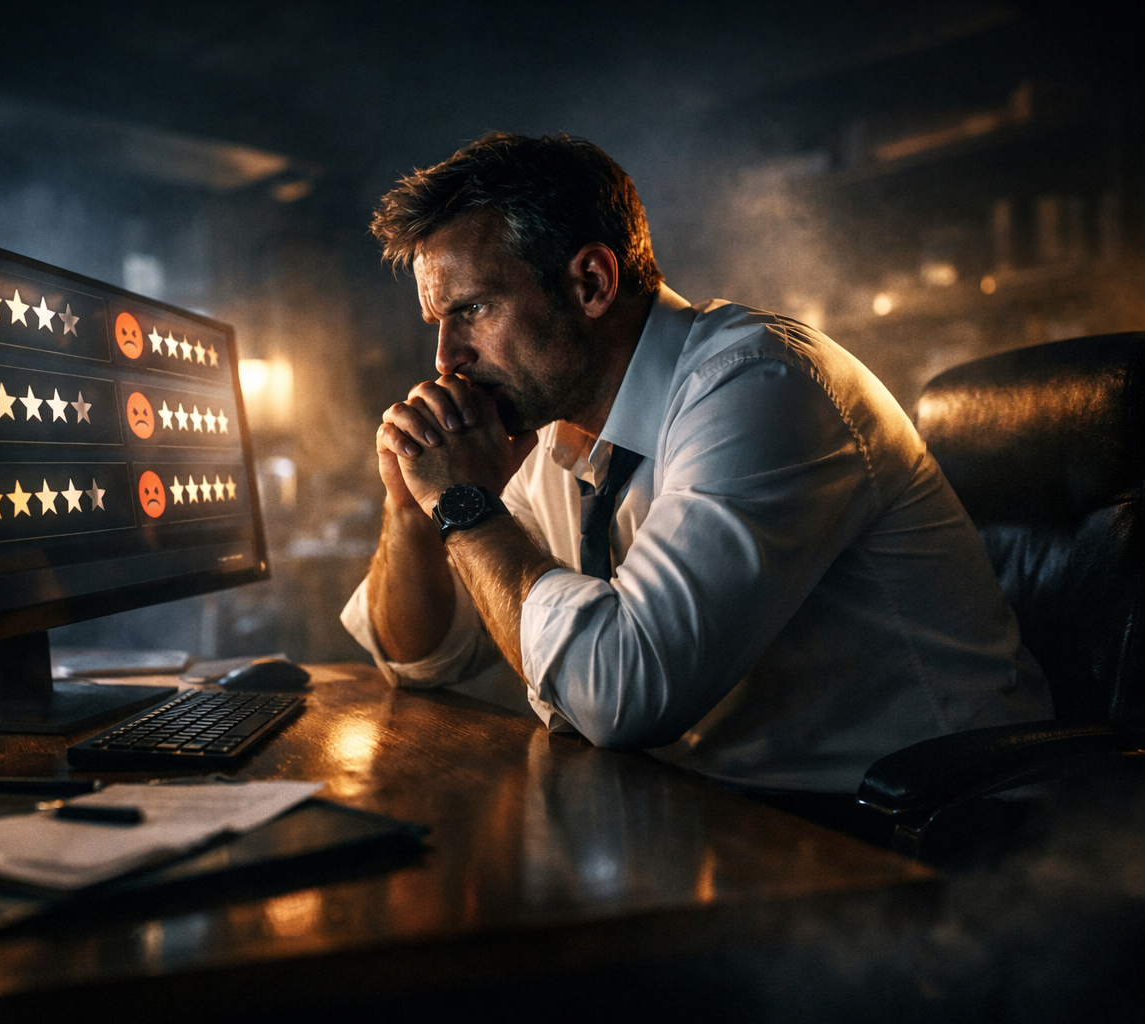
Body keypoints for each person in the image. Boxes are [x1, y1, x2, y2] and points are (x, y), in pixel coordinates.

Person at [340, 131, 1051, 792]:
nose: (445, 359)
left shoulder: (761, 386)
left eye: (472, 310)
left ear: (590, 283)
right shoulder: (548, 431)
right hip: (729, 824)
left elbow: (625, 694)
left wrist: (466, 508)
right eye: (438, 323)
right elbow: (421, 658)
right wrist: (412, 507)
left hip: (928, 830)